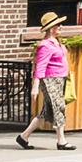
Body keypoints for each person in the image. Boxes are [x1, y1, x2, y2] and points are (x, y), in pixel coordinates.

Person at [15, 11, 74, 150]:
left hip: (59, 79)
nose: (61, 27)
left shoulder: (57, 43)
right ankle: (61, 141)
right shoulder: (45, 45)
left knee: (46, 111)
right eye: (59, 25)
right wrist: (35, 86)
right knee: (59, 107)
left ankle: (23, 136)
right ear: (52, 28)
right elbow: (40, 67)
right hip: (50, 80)